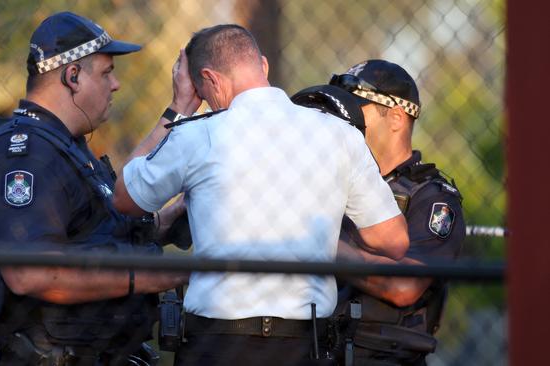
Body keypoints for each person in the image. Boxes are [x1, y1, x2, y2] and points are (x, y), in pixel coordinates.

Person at [113, 24, 409, 365]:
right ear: (264, 66)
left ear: (210, 79)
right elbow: (394, 241)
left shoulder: (199, 134)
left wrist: (179, 106)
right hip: (304, 345)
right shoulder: (339, 135)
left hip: (216, 344)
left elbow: (124, 198)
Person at [0, 12, 188, 366]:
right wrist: (150, 277)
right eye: (107, 72)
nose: (116, 85)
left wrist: (180, 110)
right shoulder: (25, 155)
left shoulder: (64, 146)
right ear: (73, 76)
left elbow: (111, 221)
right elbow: (30, 274)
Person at [293, 59, 465, 366]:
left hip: (385, 356)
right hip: (313, 349)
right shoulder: (328, 180)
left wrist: (320, 244)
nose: (343, 117)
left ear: (397, 117)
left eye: (358, 108)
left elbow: (404, 286)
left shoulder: (432, 198)